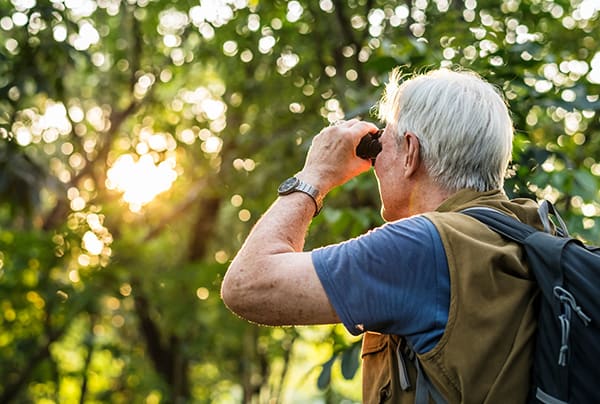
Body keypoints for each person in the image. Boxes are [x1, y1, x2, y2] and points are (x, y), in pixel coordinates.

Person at [221, 68, 542, 403]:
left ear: (410, 152)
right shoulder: (529, 229)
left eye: (379, 147)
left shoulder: (422, 247)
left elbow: (247, 285)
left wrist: (315, 174)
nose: (374, 164)